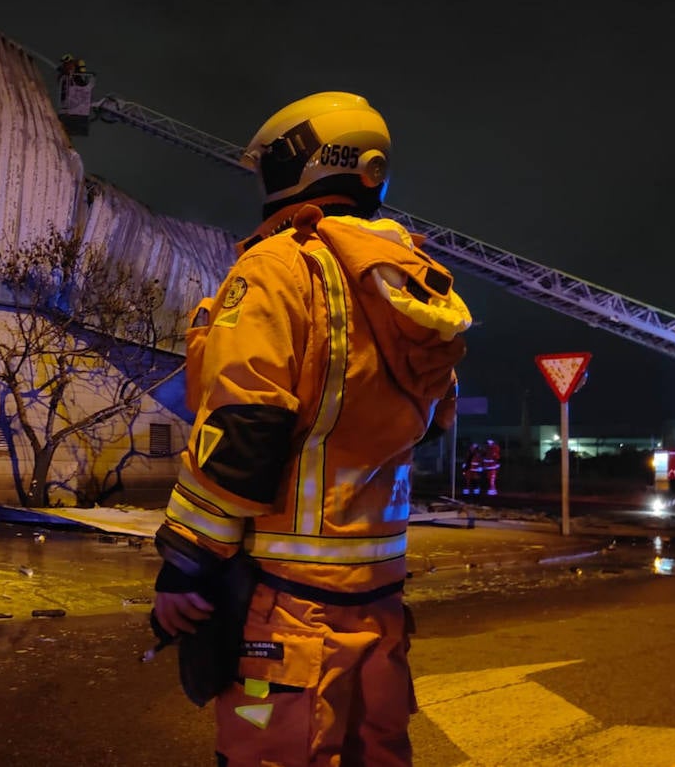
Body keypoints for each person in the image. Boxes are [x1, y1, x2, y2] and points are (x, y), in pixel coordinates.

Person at [150, 92, 472, 766]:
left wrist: (185, 564)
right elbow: (433, 427)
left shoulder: (280, 267)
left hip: (288, 614)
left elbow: (244, 430)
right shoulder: (417, 290)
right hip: (380, 607)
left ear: (298, 162)